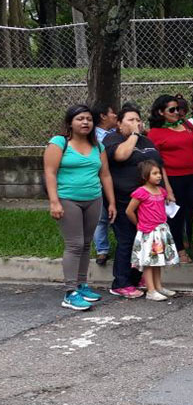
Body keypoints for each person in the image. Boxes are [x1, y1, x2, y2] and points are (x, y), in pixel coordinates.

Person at [43, 104, 117, 311]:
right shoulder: (59, 143)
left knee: (86, 244)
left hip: (93, 199)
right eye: (80, 119)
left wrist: (111, 202)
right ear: (70, 123)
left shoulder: (98, 146)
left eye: (88, 119)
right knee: (74, 244)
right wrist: (54, 201)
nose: (85, 122)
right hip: (68, 199)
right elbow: (50, 172)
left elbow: (105, 175)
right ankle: (69, 292)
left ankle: (82, 285)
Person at [105, 104, 171, 299]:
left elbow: (159, 166)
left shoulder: (147, 141)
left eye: (138, 120)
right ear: (119, 123)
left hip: (150, 202)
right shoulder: (113, 139)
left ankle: (141, 278)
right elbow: (121, 155)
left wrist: (168, 190)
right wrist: (133, 135)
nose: (136, 123)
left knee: (145, 241)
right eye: (130, 120)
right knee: (126, 240)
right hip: (125, 200)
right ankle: (121, 282)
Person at [148, 94, 193, 263]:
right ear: (161, 112)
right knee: (176, 216)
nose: (177, 112)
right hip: (173, 179)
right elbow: (157, 162)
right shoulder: (155, 133)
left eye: (178, 109)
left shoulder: (185, 125)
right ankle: (179, 250)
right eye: (172, 110)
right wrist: (167, 188)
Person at [125, 161, 179, 301]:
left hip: (160, 230)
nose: (159, 176)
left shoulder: (161, 191)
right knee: (149, 262)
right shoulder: (141, 192)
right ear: (145, 175)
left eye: (159, 173)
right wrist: (139, 224)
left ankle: (158, 287)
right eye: (154, 173)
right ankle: (151, 290)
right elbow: (129, 211)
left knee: (158, 260)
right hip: (148, 232)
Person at [91, 101, 118, 266]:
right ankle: (102, 250)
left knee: (118, 215)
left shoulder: (117, 132)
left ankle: (124, 245)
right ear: (103, 116)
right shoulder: (92, 136)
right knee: (101, 218)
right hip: (99, 182)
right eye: (112, 112)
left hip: (118, 180)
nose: (115, 115)